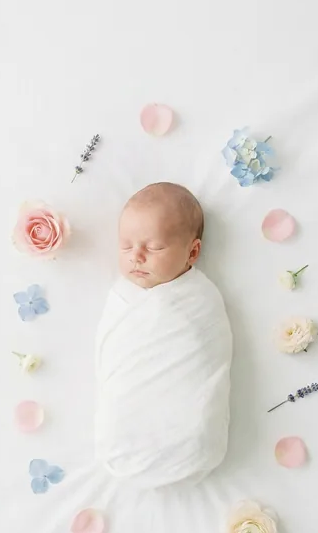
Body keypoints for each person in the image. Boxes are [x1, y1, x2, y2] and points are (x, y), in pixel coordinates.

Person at [95, 182, 234, 489]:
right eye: (126, 246)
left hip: (192, 442)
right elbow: (112, 360)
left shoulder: (199, 300)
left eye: (154, 247)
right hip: (124, 436)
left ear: (192, 252)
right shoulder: (120, 298)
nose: (136, 257)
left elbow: (208, 358)